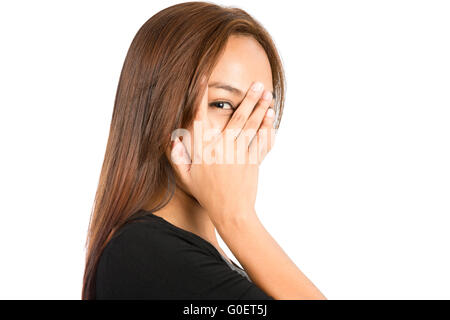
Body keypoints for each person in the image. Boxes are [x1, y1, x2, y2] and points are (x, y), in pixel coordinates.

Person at [82, 1, 325, 300]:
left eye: (262, 108)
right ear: (161, 112)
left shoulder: (207, 259)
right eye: (222, 104)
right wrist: (237, 219)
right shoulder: (143, 255)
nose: (248, 126)